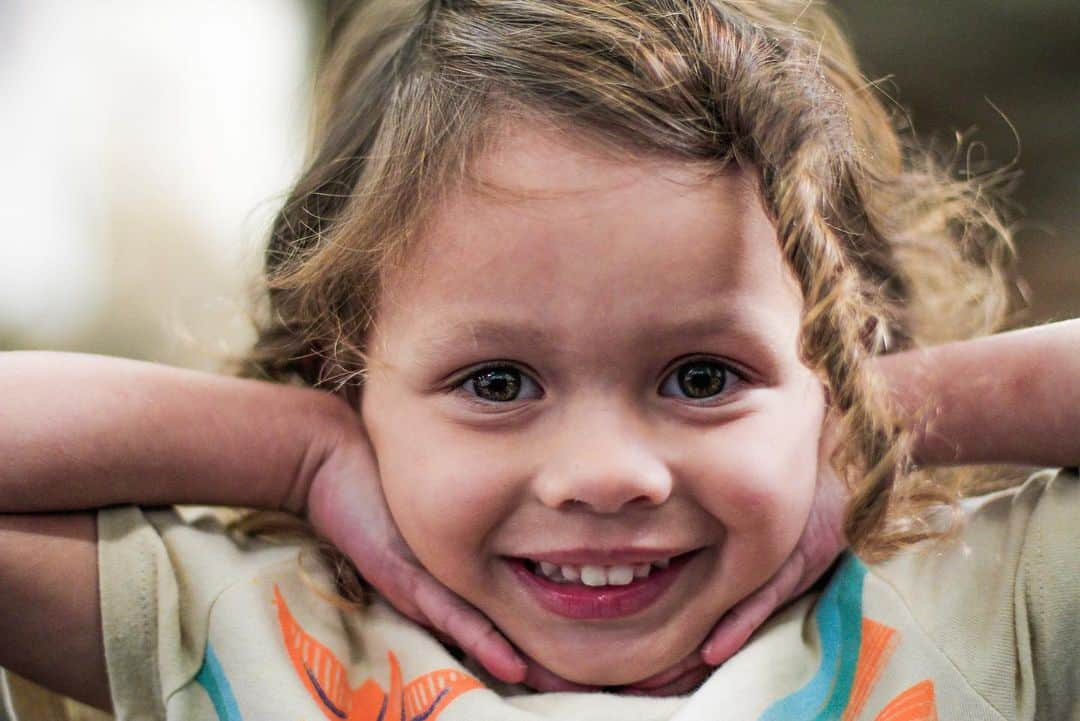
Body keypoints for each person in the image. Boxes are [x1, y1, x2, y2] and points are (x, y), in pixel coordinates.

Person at [2, 0, 1078, 719]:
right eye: (498, 383)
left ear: (844, 358)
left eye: (703, 377)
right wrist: (299, 453)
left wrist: (877, 420)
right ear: (347, 373)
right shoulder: (252, 627)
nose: (605, 473)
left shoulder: (977, 609)